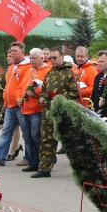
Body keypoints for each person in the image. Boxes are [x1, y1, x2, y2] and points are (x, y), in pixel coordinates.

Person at [30, 46, 80, 178]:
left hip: (63, 113)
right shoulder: (49, 73)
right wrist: (42, 97)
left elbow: (75, 94)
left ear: (62, 57)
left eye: (54, 57)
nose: (51, 60)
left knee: (70, 142)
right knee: (46, 140)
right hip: (48, 112)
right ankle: (44, 169)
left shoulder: (71, 73)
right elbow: (44, 90)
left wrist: (59, 100)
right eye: (50, 58)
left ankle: (81, 170)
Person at [0, 42, 31, 166]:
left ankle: (28, 157)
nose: (11, 53)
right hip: (9, 105)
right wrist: (5, 101)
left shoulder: (27, 66)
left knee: (26, 133)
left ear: (22, 52)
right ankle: (0, 157)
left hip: (20, 105)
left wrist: (18, 97)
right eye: (11, 51)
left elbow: (24, 85)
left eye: (15, 51)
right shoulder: (11, 67)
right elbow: (8, 87)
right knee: (6, 132)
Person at [17, 48, 51, 172]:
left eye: (34, 58)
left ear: (42, 58)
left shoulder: (48, 71)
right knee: (27, 137)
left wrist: (35, 92)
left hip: (37, 110)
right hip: (24, 110)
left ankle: (44, 162)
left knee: (36, 136)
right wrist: (18, 98)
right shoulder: (29, 70)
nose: (31, 60)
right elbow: (20, 87)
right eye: (30, 58)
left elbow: (49, 90)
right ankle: (33, 162)